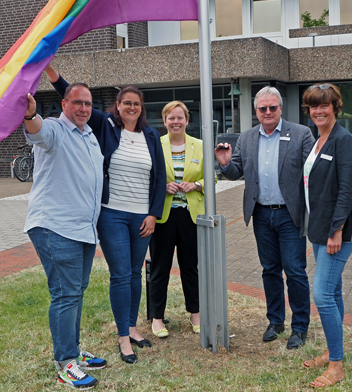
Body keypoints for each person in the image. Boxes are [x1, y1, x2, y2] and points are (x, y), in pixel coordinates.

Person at [46, 66, 166, 365]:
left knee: (136, 272)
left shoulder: (151, 135)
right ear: (118, 106)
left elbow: (161, 177)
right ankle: (124, 338)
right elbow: (72, 98)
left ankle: (133, 326)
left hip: (142, 216)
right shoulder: (106, 126)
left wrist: (154, 214)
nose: (132, 108)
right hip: (112, 214)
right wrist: (52, 72)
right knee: (121, 274)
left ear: (141, 108)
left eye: (137, 104)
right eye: (127, 103)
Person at [214, 86, 315, 349]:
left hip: (290, 215)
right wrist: (225, 163)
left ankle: (300, 326)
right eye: (263, 108)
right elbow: (236, 172)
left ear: (281, 109)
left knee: (294, 271)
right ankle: (275, 321)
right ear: (256, 111)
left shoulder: (301, 134)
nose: (268, 112)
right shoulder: (246, 138)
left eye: (273, 107)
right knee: (270, 270)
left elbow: (312, 173)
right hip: (261, 215)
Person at [22, 83, 106, 390]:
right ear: (64, 103)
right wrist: (31, 112)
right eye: (77, 103)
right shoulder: (56, 128)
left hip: (83, 229)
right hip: (55, 226)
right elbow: (37, 130)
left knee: (76, 291)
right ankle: (65, 363)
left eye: (88, 103)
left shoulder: (88, 136)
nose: (83, 108)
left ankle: (72, 348)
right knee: (65, 293)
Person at [300, 83, 352, 388]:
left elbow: (348, 191)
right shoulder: (319, 139)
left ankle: (337, 366)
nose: (318, 111)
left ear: (335, 107)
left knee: (322, 295)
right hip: (320, 229)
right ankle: (332, 351)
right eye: (313, 107)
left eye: (324, 106)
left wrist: (336, 230)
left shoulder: (344, 141)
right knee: (334, 292)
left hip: (338, 231)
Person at [150, 101, 209, 338]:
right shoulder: (155, 144)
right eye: (171, 118)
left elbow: (211, 180)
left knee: (190, 268)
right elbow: (148, 177)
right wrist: (162, 188)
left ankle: (195, 314)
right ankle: (156, 318)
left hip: (190, 216)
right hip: (162, 217)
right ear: (164, 121)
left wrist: (195, 185)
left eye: (180, 118)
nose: (176, 122)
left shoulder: (200, 145)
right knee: (159, 269)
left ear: (187, 120)